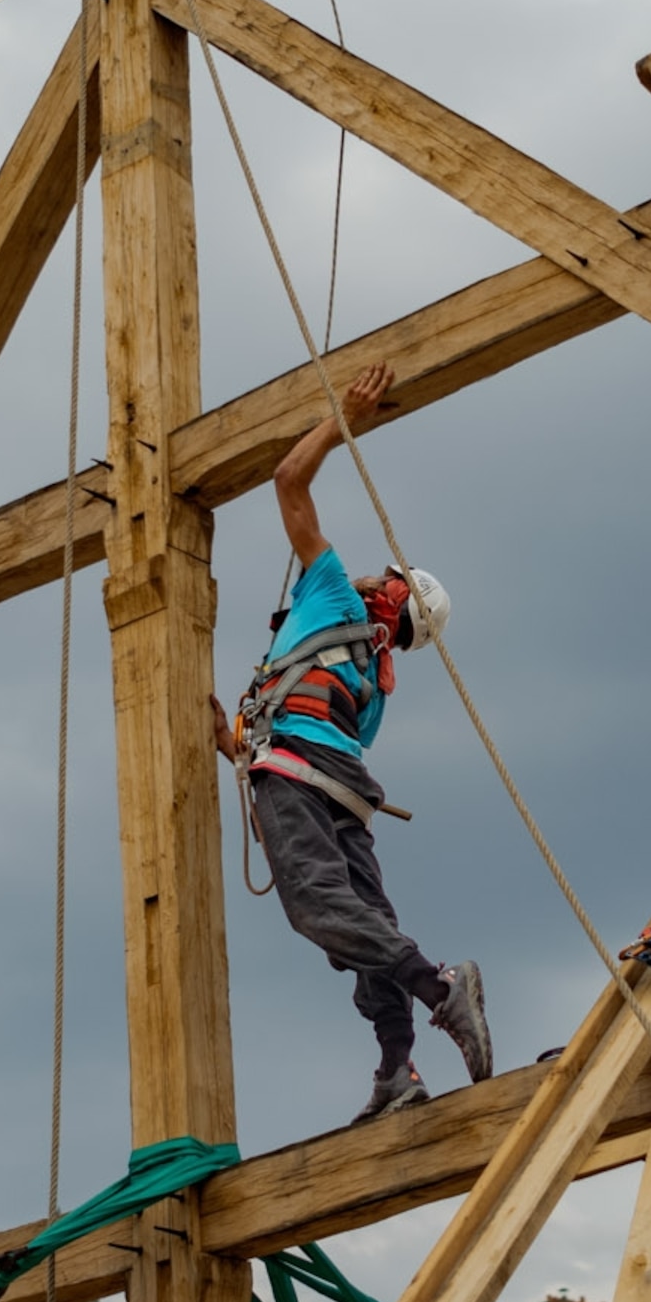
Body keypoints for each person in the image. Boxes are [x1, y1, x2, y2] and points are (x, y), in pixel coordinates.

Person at [213, 363, 493, 1123]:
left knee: (316, 907)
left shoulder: (335, 592)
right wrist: (220, 731)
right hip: (336, 788)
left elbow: (287, 482)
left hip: (299, 778)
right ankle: (396, 1071)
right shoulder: (370, 685)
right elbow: (279, 737)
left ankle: (442, 988)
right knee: (365, 923)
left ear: (390, 596)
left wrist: (343, 421)